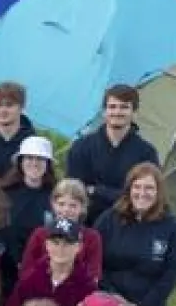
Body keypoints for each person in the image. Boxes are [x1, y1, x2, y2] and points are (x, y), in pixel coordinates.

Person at [93, 163, 176, 306]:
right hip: (108, 305)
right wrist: (112, 297)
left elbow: (173, 273)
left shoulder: (172, 228)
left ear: (158, 192)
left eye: (149, 188)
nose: (142, 193)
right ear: (129, 189)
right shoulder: (110, 219)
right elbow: (94, 261)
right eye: (137, 187)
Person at [66, 84, 159, 223]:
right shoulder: (81, 147)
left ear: (134, 112)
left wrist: (95, 190)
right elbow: (74, 191)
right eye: (112, 106)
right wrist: (120, 194)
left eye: (124, 107)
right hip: (87, 223)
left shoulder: (146, 153)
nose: (117, 112)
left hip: (129, 222)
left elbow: (144, 196)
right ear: (104, 111)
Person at [7, 217, 96, 306]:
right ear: (47, 245)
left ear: (79, 247)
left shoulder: (87, 285)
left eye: (67, 244)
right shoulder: (30, 277)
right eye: (56, 243)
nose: (60, 249)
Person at [0, 136, 57, 277]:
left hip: (43, 268)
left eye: (40, 159)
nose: (34, 163)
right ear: (21, 162)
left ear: (47, 164)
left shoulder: (56, 196)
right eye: (29, 158)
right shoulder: (5, 193)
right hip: (5, 266)